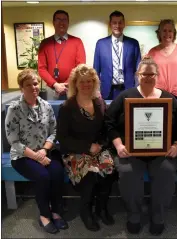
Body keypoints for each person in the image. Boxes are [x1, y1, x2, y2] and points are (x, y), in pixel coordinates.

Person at [105, 56, 177, 235]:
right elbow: (108, 122)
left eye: (152, 74)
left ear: (157, 75)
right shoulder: (125, 96)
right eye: (144, 74)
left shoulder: (168, 98)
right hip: (130, 151)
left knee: (166, 171)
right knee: (128, 173)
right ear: (137, 75)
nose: (148, 77)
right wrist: (119, 145)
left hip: (162, 152)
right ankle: (134, 214)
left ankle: (158, 215)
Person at [5, 69, 68, 234]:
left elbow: (54, 131)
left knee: (57, 172)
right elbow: (13, 140)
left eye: (35, 83)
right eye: (28, 85)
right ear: (21, 88)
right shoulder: (14, 109)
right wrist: (37, 156)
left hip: (45, 151)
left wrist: (44, 150)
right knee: (42, 176)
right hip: (22, 155)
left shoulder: (46, 106)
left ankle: (56, 211)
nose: (33, 87)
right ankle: (45, 215)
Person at [56, 64, 115, 232]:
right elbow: (62, 138)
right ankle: (86, 211)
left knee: (110, 170)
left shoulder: (99, 102)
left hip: (98, 149)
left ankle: (101, 208)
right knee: (89, 175)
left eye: (90, 81)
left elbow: (106, 129)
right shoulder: (67, 107)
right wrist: (88, 146)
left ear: (94, 83)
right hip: (75, 152)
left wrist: (101, 145)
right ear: (75, 83)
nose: (86, 85)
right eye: (82, 81)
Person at [38, 9, 86, 100]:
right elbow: (41, 68)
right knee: (52, 113)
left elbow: (80, 66)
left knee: (73, 113)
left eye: (64, 20)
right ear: (53, 22)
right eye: (58, 19)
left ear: (68, 22)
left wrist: (68, 83)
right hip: (52, 88)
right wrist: (55, 84)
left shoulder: (77, 42)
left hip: (72, 88)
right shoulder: (45, 43)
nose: (61, 22)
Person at [94, 10, 141, 100]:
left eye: (120, 22)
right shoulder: (100, 44)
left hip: (128, 89)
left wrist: (137, 89)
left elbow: (138, 70)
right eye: (114, 23)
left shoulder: (133, 43)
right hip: (107, 90)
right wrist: (96, 90)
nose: (117, 26)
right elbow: (96, 70)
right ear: (110, 24)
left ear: (124, 24)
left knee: (127, 114)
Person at [148, 19, 177, 100]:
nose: (167, 33)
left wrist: (175, 80)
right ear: (159, 33)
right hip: (158, 93)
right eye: (164, 30)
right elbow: (149, 72)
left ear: (174, 33)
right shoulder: (152, 52)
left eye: (170, 31)